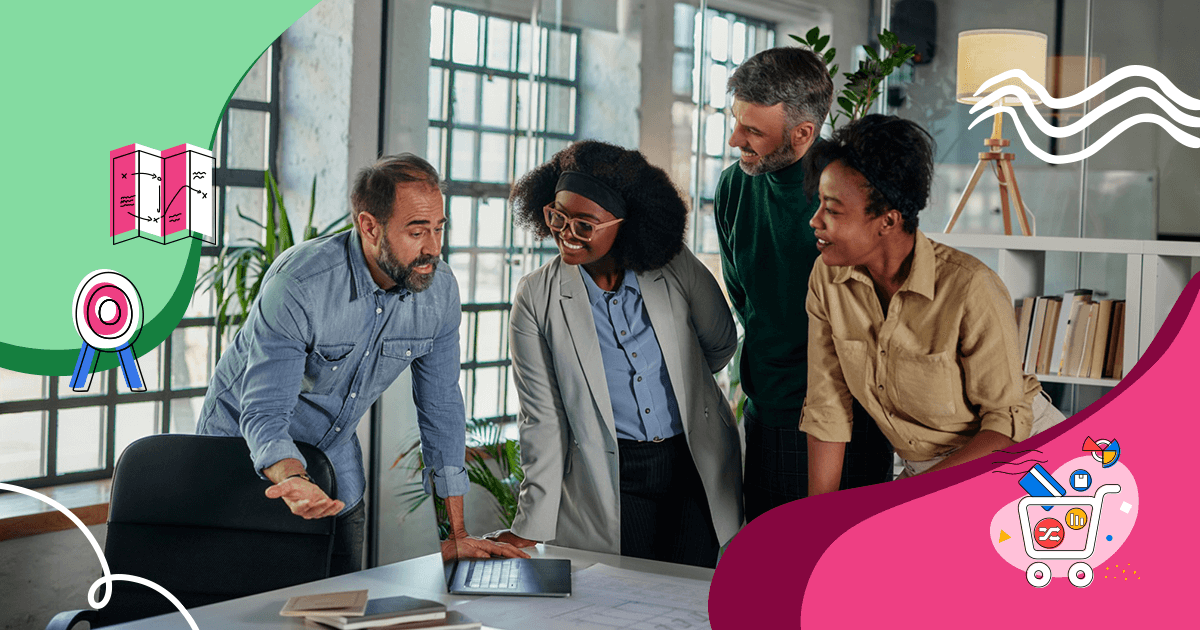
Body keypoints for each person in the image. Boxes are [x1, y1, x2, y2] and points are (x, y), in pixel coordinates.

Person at [196, 154, 526, 575]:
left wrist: (455, 534)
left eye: (439, 228)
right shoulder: (301, 285)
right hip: (238, 451)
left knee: (340, 594)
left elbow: (442, 409)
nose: (434, 248)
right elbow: (262, 412)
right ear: (369, 226)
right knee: (240, 600)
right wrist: (294, 478)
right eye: (417, 231)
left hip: (333, 453)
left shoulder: (438, 291)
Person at [487, 140, 743, 568]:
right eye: (557, 216)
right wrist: (529, 526)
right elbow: (543, 418)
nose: (566, 234)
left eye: (584, 225)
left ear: (628, 224)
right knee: (629, 600)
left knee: (688, 600)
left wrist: (685, 385)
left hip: (692, 464)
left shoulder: (673, 263)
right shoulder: (535, 297)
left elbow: (719, 342)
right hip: (614, 474)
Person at [801, 115, 1066, 493]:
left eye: (833, 209)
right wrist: (817, 522)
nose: (816, 221)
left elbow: (1005, 424)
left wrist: (906, 497)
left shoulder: (972, 287)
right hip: (927, 473)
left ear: (888, 221)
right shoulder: (827, 279)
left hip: (1025, 462)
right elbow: (827, 409)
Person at [715, 47, 893, 522]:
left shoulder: (853, 198)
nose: (736, 140)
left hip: (846, 422)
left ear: (803, 134)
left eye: (752, 131)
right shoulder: (734, 187)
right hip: (765, 410)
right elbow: (741, 294)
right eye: (737, 123)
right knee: (768, 568)